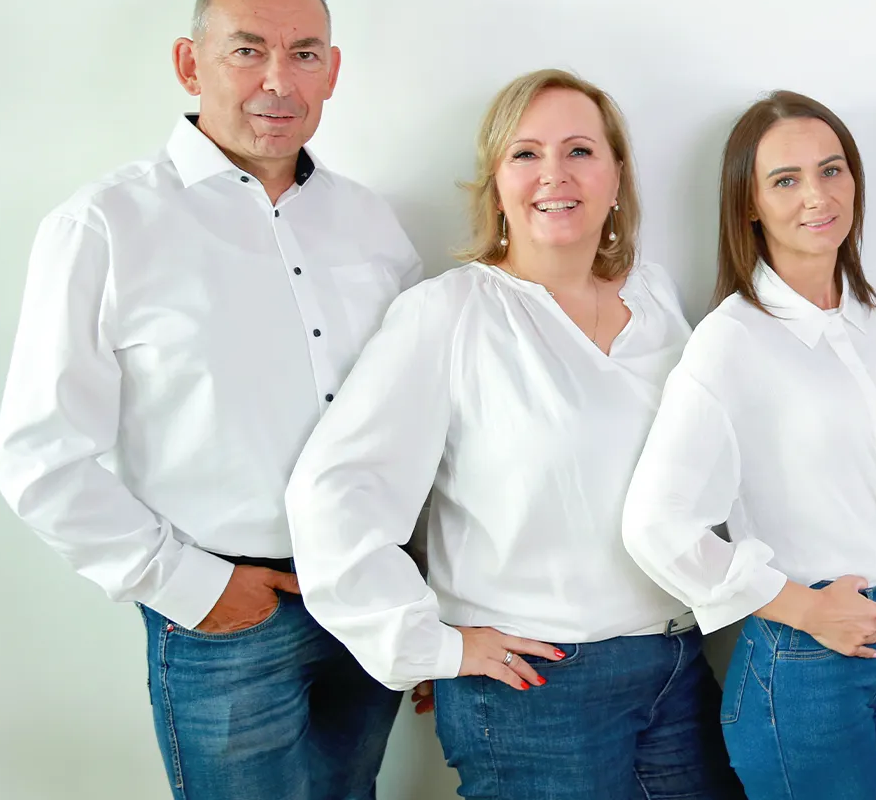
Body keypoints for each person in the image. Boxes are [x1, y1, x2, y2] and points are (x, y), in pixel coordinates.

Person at [0, 0, 419, 799]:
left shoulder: (370, 220)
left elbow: (418, 420)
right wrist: (196, 588)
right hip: (227, 618)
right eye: (247, 50)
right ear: (190, 65)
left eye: (303, 53)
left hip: (369, 592)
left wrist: (423, 591)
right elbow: (39, 459)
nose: (277, 80)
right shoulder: (105, 225)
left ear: (332, 71)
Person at [284, 69, 739, 800]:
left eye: (580, 151)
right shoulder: (449, 312)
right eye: (525, 154)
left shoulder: (654, 298)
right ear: (495, 184)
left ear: (617, 176)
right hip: (538, 688)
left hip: (677, 666)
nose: (553, 175)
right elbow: (334, 491)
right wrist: (430, 645)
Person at [623, 91, 876, 800]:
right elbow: (654, 527)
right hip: (804, 662)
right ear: (748, 204)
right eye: (785, 180)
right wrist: (801, 605)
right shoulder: (730, 343)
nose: (816, 196)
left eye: (832, 170)